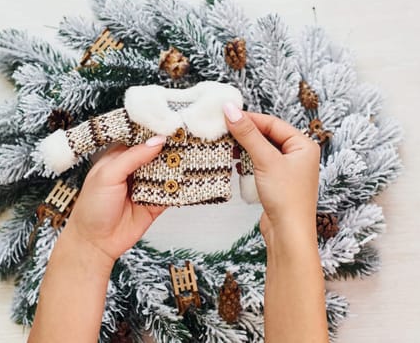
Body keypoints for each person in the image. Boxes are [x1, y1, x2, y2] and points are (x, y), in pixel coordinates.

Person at [28, 103, 329, 342]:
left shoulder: (209, 118)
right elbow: (99, 130)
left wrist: (87, 244)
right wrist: (289, 226)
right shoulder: (141, 111)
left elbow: (248, 154)